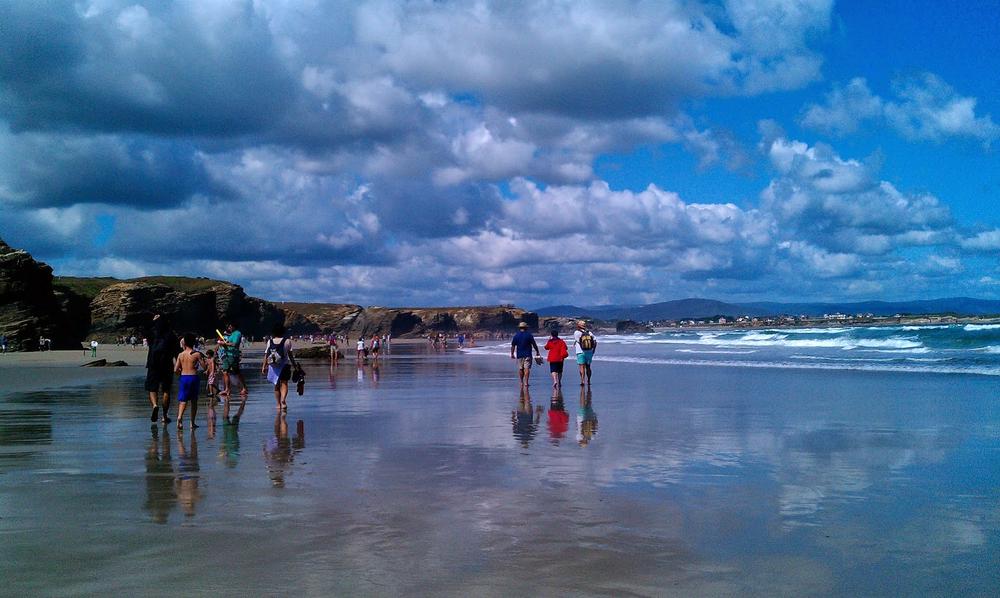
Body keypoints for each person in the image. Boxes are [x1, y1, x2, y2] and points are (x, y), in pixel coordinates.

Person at [146, 315, 180, 424]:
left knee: (152, 389)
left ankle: (155, 405)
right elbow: (177, 351)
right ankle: (164, 416)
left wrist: (153, 321)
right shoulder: (171, 335)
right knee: (166, 390)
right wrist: (178, 365)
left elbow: (145, 330)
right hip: (167, 365)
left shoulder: (152, 333)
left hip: (153, 364)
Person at [174, 333, 206, 431]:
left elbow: (175, 370)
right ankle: (192, 422)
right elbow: (204, 367)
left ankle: (179, 417)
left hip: (184, 377)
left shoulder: (181, 355)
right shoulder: (196, 354)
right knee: (194, 401)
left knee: (183, 400)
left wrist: (180, 372)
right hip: (193, 377)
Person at [261, 323, 297, 412]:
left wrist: (264, 366)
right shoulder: (287, 341)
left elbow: (266, 354)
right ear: (283, 331)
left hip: (273, 366)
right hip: (284, 365)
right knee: (284, 383)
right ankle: (283, 400)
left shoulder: (270, 341)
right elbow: (290, 355)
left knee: (276, 385)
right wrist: (295, 365)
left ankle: (278, 404)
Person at [217, 321, 247, 399]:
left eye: (230, 327)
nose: (229, 328)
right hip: (227, 355)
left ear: (234, 326)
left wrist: (225, 343)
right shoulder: (231, 334)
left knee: (237, 372)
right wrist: (223, 343)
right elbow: (228, 344)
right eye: (229, 327)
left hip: (233, 355)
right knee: (225, 371)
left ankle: (244, 388)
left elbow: (235, 344)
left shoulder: (237, 333)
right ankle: (227, 389)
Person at [510, 321, 541, 388]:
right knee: (527, 369)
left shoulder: (516, 336)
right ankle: (526, 382)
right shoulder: (529, 335)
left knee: (521, 368)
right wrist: (537, 351)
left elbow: (513, 346)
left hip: (519, 355)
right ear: (526, 328)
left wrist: (512, 354)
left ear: (519, 328)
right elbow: (534, 344)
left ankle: (521, 382)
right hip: (528, 354)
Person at [572, 320, 598, 386]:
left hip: (580, 351)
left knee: (581, 367)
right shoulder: (589, 332)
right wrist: (593, 350)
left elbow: (578, 341)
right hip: (589, 351)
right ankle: (588, 380)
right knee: (588, 367)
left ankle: (582, 381)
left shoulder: (576, 332)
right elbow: (595, 341)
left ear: (578, 325)